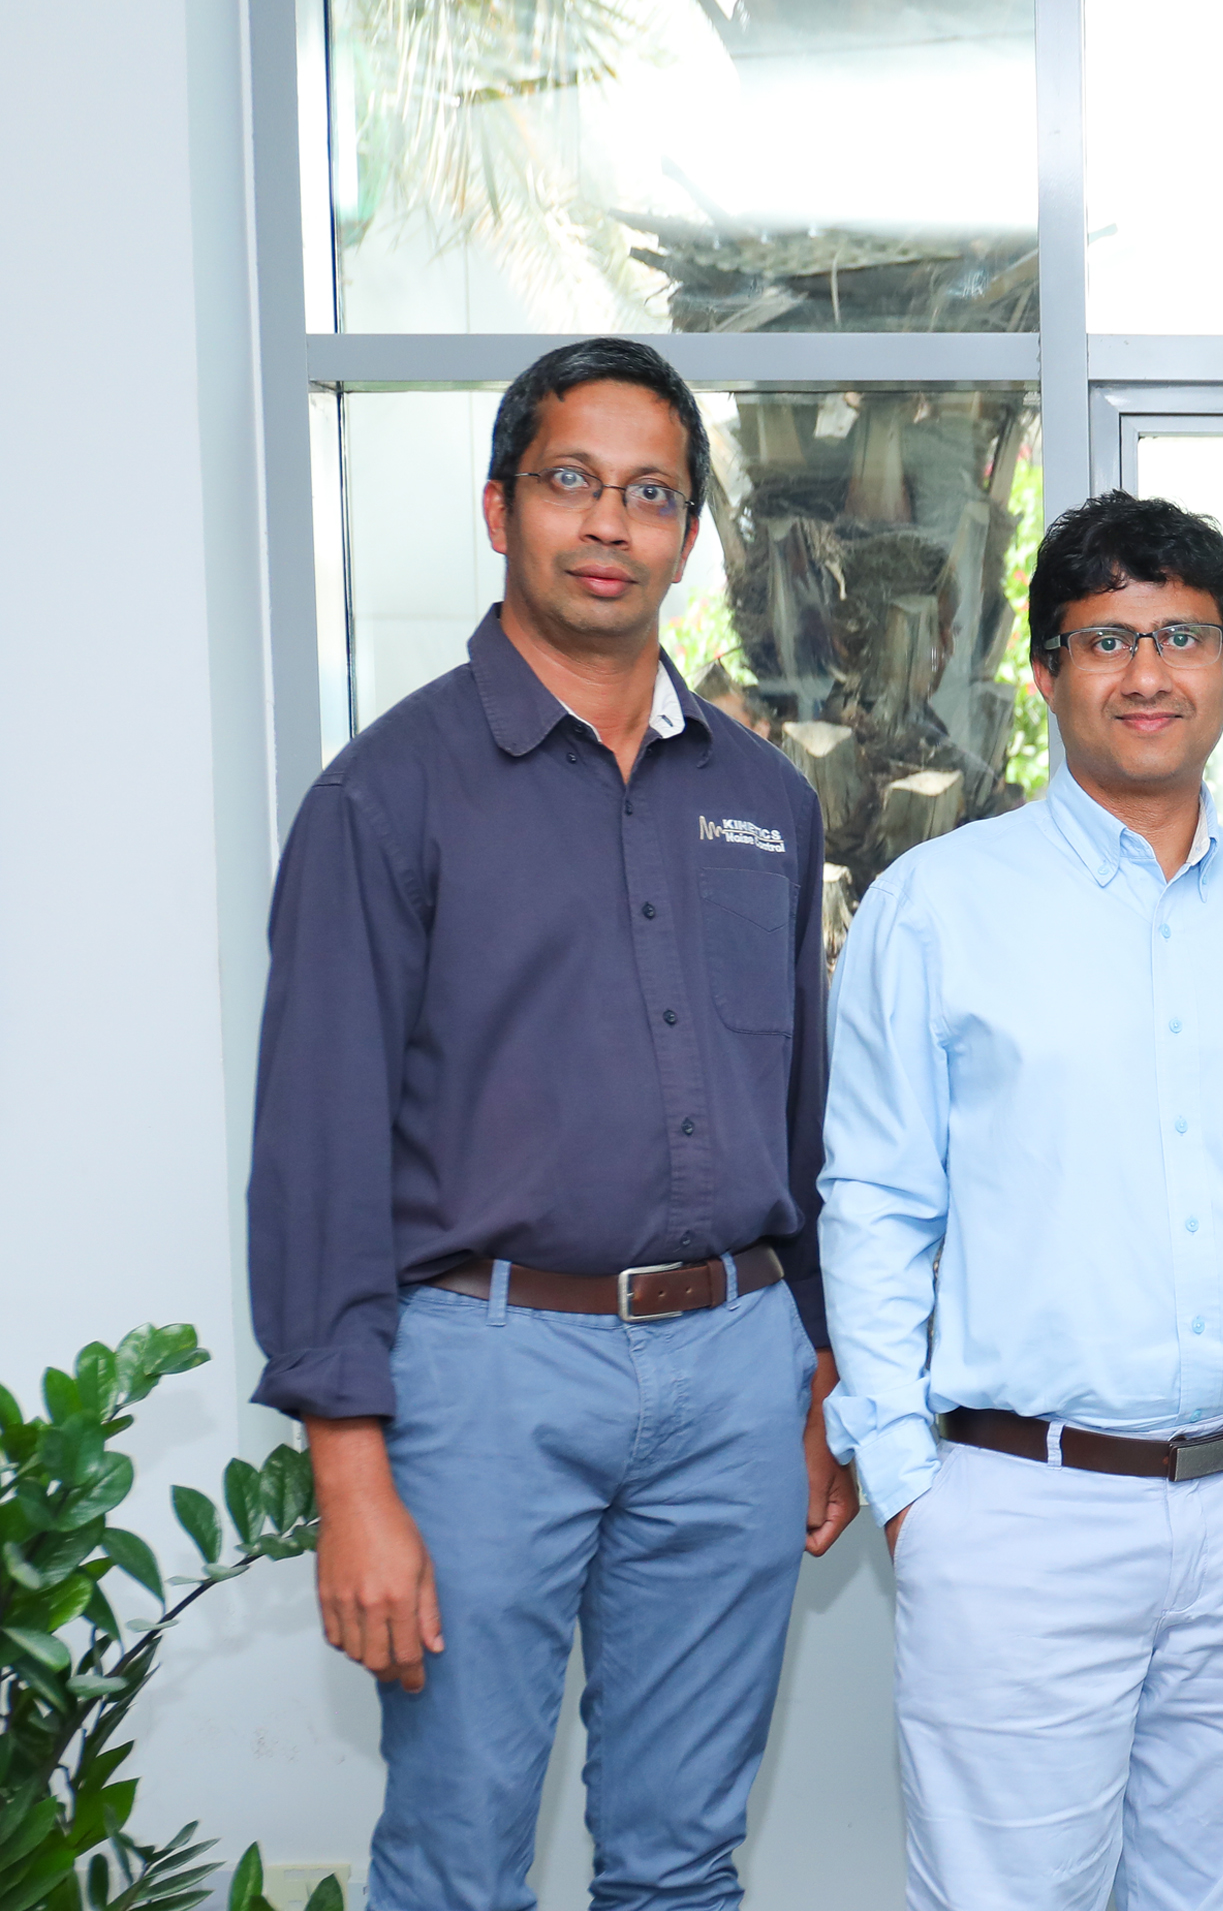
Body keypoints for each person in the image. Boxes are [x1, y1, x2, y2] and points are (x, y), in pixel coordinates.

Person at [247, 336, 856, 1910]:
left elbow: (802, 1123)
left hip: (736, 1367)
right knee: (457, 1862)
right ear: (499, 506)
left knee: (683, 1860)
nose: (608, 523)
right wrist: (351, 1480)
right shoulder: (386, 796)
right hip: (485, 1373)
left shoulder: (767, 803)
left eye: (650, 494)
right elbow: (318, 1155)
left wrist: (815, 1374)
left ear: (689, 534)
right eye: (571, 482)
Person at [821, 490, 1223, 1911]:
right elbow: (874, 1201)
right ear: (1047, 670)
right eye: (1107, 639)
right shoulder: (936, 906)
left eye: (1182, 636)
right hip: (1020, 1516)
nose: (1147, 673)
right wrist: (906, 1486)